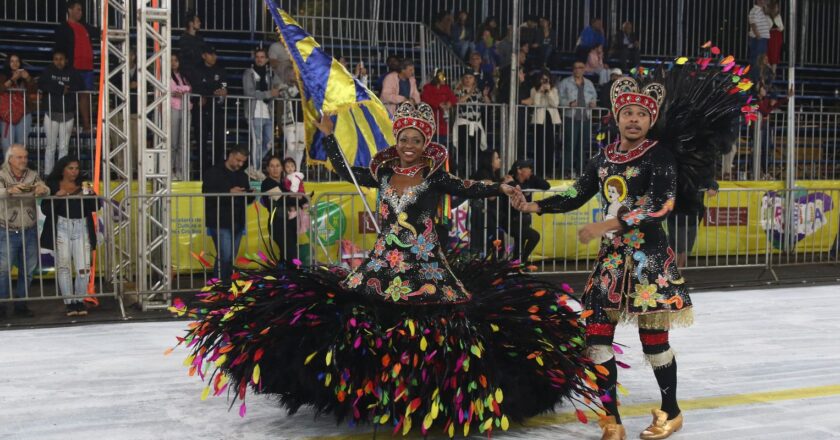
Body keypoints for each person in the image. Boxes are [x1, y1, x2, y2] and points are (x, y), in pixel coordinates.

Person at [173, 102, 601, 436]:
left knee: (428, 321)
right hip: (383, 261)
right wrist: (326, 137)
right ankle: (375, 390)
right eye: (404, 136)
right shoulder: (381, 171)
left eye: (416, 137)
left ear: (425, 139)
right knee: (373, 314)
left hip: (426, 263)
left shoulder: (434, 174)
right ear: (397, 138)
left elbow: (469, 186)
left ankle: (421, 391)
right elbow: (346, 170)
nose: (410, 143)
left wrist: (502, 186)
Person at [513, 62, 752, 438]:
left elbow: (662, 204)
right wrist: (535, 205)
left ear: (651, 119)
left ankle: (671, 411)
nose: (635, 119)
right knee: (596, 339)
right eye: (628, 113)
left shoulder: (659, 156)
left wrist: (608, 224)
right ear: (616, 117)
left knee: (654, 344)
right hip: (611, 264)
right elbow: (576, 193)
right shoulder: (604, 157)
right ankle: (612, 419)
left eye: (642, 113)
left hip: (649, 263)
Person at [40, 155, 97, 317]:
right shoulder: (52, 184)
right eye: (70, 168)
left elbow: (95, 206)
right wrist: (56, 197)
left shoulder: (84, 184)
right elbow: (45, 209)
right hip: (62, 227)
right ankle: (69, 303)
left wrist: (91, 195)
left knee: (84, 268)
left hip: (82, 227)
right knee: (63, 267)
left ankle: (79, 300)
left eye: (76, 168)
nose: (74, 172)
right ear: (62, 169)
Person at [0, 145, 49, 319]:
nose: (24, 160)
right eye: (20, 157)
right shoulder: (1, 174)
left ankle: (21, 305)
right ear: (10, 159)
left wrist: (43, 190)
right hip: (6, 230)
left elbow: (45, 188)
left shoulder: (32, 175)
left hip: (29, 230)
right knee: (3, 270)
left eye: (25, 157)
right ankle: (3, 305)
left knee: (28, 270)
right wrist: (8, 191)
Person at [202, 145, 252, 281]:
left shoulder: (243, 175)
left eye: (243, 162)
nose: (240, 164)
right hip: (220, 221)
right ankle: (221, 284)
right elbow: (207, 193)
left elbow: (247, 199)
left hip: (238, 222)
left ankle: (222, 284)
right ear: (230, 155)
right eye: (238, 160)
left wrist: (251, 194)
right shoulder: (213, 172)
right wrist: (229, 192)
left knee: (228, 257)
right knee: (225, 255)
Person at [53, 0, 98, 132]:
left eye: (81, 10)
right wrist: (64, 65)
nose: (80, 12)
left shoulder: (85, 26)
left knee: (85, 96)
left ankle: (86, 125)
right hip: (73, 66)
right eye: (78, 9)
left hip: (87, 67)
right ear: (70, 10)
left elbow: (98, 32)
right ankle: (69, 125)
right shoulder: (64, 27)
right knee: (70, 96)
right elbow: (59, 48)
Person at [38, 50, 83, 176]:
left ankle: (61, 174)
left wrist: (55, 87)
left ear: (66, 60)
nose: (58, 61)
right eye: (56, 59)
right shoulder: (48, 71)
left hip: (67, 114)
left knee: (64, 147)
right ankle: (48, 174)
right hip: (51, 114)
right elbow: (41, 84)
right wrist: (60, 88)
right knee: (50, 146)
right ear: (53, 60)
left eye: (61, 59)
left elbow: (78, 86)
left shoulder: (73, 72)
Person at [188, 45, 228, 171]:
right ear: (204, 55)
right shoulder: (196, 69)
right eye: (211, 54)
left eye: (215, 54)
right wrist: (206, 93)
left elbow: (224, 85)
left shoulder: (220, 69)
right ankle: (202, 171)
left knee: (219, 142)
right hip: (201, 111)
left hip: (216, 110)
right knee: (201, 142)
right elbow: (195, 87)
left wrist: (223, 90)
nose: (213, 57)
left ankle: (218, 170)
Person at [242, 47, 280, 175]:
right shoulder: (249, 73)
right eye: (257, 57)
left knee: (269, 143)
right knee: (257, 143)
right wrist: (269, 93)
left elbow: (273, 92)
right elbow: (249, 92)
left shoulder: (269, 74)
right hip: (254, 113)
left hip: (267, 113)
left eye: (262, 57)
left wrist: (273, 93)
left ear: (267, 59)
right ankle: (256, 169)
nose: (259, 59)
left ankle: (253, 166)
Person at [557, 61, 598, 178]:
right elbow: (559, 99)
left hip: (585, 118)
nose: (578, 69)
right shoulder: (565, 82)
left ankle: (581, 170)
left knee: (582, 145)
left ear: (584, 69)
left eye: (580, 67)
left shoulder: (589, 83)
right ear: (573, 69)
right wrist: (568, 103)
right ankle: (566, 170)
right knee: (569, 144)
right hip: (571, 117)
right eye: (576, 67)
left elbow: (594, 97)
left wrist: (593, 103)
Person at [504, 159, 549, 261]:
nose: (531, 170)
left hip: (524, 220)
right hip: (512, 221)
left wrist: (532, 177)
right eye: (528, 168)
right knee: (535, 236)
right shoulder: (509, 181)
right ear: (519, 170)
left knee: (520, 242)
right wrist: (512, 182)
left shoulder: (530, 180)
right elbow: (516, 190)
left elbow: (546, 185)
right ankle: (522, 262)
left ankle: (517, 264)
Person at [667, 181, 719, 268]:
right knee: (678, 247)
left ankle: (678, 272)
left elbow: (710, 181)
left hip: (692, 217)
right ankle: (673, 272)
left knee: (686, 248)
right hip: (677, 217)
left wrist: (713, 187)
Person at [260, 156, 301, 261]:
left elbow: (291, 198)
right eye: (272, 166)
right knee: (291, 254)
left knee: (287, 254)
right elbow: (283, 200)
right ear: (268, 169)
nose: (275, 169)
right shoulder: (267, 183)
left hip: (289, 222)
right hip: (278, 223)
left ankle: (285, 275)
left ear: (282, 168)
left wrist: (300, 198)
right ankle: (290, 276)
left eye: (277, 166)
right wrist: (301, 199)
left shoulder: (284, 183)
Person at [452, 71, 490, 178]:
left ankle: (474, 174)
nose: (468, 79)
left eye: (470, 77)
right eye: (466, 77)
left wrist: (485, 96)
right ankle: (461, 175)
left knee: (475, 151)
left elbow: (487, 104)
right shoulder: (458, 90)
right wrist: (468, 94)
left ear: (474, 80)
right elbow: (457, 102)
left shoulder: (478, 92)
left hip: (475, 124)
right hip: (463, 124)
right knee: (463, 150)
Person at [0, 54, 36, 156]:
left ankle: (19, 168)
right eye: (12, 61)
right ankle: (8, 170)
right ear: (8, 63)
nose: (15, 63)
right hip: (7, 114)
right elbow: (1, 89)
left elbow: (34, 90)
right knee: (7, 145)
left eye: (17, 61)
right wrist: (12, 79)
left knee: (21, 144)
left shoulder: (24, 76)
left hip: (24, 113)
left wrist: (28, 78)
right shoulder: (2, 75)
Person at [469, 149, 503, 255]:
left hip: (488, 214)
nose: (500, 160)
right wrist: (501, 185)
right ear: (490, 161)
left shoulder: (493, 174)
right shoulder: (483, 173)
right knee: (493, 238)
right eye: (497, 158)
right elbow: (491, 197)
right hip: (481, 214)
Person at [528, 71, 561, 178]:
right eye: (542, 79)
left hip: (551, 120)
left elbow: (555, 104)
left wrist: (548, 92)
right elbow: (536, 104)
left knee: (550, 145)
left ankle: (549, 170)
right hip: (539, 121)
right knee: (539, 145)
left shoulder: (554, 90)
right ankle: (539, 170)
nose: (544, 81)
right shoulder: (534, 90)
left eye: (546, 79)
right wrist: (539, 92)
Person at [420, 69, 457, 149]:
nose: (444, 79)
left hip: (443, 120)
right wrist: (438, 104)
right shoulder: (428, 88)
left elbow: (453, 98)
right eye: (442, 77)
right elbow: (425, 99)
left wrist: (449, 103)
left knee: (443, 144)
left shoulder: (446, 88)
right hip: (431, 119)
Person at [170, 53, 192, 180]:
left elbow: (189, 88)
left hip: (185, 109)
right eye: (171, 60)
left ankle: (180, 170)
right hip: (173, 109)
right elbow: (172, 90)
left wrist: (181, 90)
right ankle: (171, 169)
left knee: (183, 142)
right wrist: (183, 90)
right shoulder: (166, 75)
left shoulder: (184, 76)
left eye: (176, 60)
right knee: (173, 143)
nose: (173, 63)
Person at [748, 0, 772, 84]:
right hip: (758, 38)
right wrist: (758, 35)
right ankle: (755, 79)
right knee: (757, 59)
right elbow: (753, 24)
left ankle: (759, 78)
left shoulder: (763, 10)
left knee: (761, 60)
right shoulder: (754, 10)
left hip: (763, 38)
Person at [766, 0, 784, 74]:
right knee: (768, 53)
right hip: (769, 36)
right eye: (776, 7)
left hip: (777, 37)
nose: (777, 8)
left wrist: (777, 28)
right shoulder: (766, 16)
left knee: (775, 54)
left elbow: (782, 27)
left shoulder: (778, 16)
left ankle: (773, 72)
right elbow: (767, 27)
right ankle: (768, 71)